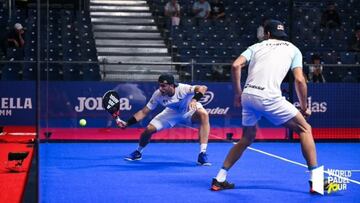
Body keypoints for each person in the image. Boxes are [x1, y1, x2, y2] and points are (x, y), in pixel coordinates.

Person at [211, 20, 320, 193]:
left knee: (246, 138)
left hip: (249, 95)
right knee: (305, 129)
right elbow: (300, 80)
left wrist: (238, 94)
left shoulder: (256, 46)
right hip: (269, 97)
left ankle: (219, 178)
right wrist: (304, 107)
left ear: (267, 34)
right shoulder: (293, 49)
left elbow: (235, 65)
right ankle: (317, 182)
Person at [115, 74, 211, 166]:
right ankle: (138, 152)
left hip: (189, 109)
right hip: (172, 113)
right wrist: (127, 123)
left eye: (163, 86)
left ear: (171, 85)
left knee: (204, 114)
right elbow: (144, 112)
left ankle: (202, 153)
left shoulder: (183, 88)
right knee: (149, 129)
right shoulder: (157, 94)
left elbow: (203, 88)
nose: (161, 88)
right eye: (160, 85)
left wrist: (194, 100)